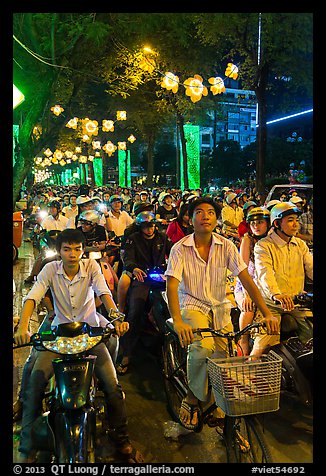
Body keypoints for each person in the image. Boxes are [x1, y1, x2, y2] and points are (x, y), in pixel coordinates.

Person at [14, 228, 144, 464]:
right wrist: (23, 327)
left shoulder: (92, 268)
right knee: (34, 383)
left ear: (83, 251)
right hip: (58, 337)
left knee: (113, 387)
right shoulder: (50, 269)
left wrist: (115, 316)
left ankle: (121, 437)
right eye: (67, 249)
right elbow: (33, 295)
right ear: (60, 251)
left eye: (77, 249)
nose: (72, 254)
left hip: (89, 334)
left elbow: (104, 292)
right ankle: (26, 445)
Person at [165, 197, 279, 431]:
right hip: (192, 305)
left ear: (217, 219)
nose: (205, 216)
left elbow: (247, 280)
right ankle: (192, 397)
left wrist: (267, 313)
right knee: (202, 347)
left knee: (226, 356)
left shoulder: (226, 246)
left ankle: (221, 408)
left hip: (219, 307)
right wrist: (177, 320)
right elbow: (172, 286)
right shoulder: (180, 248)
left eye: (210, 212)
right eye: (199, 212)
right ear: (190, 218)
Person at [252, 202, 313, 357]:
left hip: (297, 303)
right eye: (291, 220)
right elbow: (265, 273)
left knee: (310, 336)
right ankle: (250, 373)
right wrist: (276, 295)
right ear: (277, 223)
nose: (295, 224)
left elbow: (311, 267)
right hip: (271, 305)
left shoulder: (300, 244)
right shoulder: (264, 246)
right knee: (263, 345)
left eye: (297, 220)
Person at [116, 211, 173, 375]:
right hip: (142, 278)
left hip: (161, 277)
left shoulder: (163, 238)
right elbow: (128, 258)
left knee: (171, 308)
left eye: (151, 226)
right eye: (146, 227)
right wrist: (134, 268)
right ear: (140, 227)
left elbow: (175, 253)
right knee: (135, 311)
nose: (149, 229)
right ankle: (127, 354)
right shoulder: (133, 239)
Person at [234, 207, 271, 355]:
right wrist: (248, 293)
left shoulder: (273, 239)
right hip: (246, 285)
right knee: (248, 308)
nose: (256, 226)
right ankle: (243, 342)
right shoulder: (247, 240)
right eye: (253, 223)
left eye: (260, 222)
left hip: (266, 286)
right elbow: (242, 270)